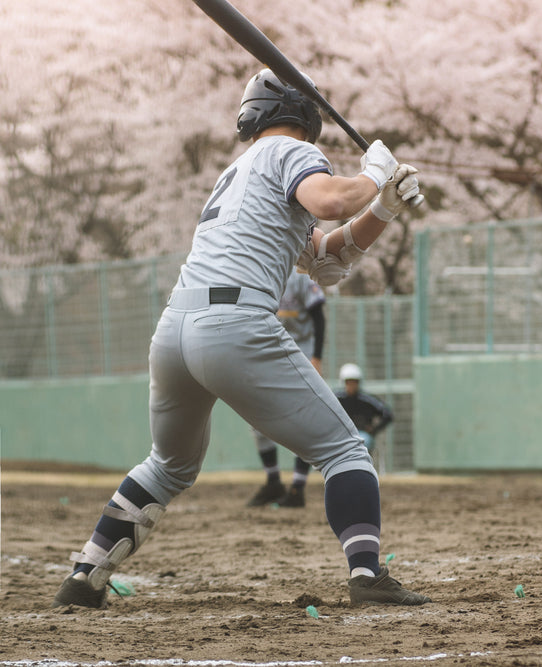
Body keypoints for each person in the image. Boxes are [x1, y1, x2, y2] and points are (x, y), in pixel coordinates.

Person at [52, 68, 429, 609]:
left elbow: (326, 260)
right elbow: (331, 203)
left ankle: (84, 576)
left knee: (168, 464)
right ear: (304, 118)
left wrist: (384, 205)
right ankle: (367, 576)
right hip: (235, 326)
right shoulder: (290, 152)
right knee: (346, 451)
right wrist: (372, 173)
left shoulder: (243, 168)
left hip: (175, 332)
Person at [246, 271, 327, 509]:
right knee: (255, 416)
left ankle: (297, 488)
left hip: (302, 352)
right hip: (271, 354)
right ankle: (273, 482)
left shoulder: (301, 275)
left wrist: (317, 358)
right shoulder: (263, 270)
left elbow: (319, 316)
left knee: (302, 420)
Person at [334, 363, 394, 456]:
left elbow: (387, 414)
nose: (351, 385)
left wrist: (374, 429)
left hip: (362, 436)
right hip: (340, 436)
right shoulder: (336, 399)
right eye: (349, 382)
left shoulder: (367, 400)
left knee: (362, 445)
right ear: (344, 383)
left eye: (354, 382)